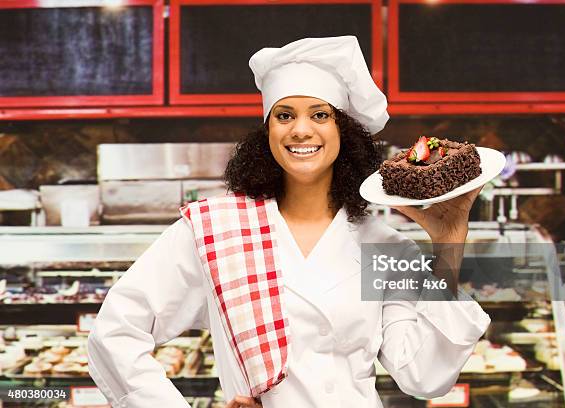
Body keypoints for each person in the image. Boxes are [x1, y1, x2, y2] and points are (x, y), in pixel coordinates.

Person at [87, 36, 490, 408]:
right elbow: (115, 333)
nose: (301, 130)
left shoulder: (384, 246)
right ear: (266, 133)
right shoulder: (214, 231)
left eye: (320, 114)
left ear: (343, 133)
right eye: (284, 115)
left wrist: (449, 241)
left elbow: (423, 376)